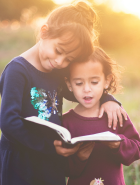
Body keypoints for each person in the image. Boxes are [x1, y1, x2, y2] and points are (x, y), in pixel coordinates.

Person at [0, 1, 127, 185]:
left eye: (69, 59)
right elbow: (8, 122)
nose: (60, 62)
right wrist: (49, 147)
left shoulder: (56, 71)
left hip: (50, 162)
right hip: (21, 164)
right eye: (58, 51)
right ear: (44, 31)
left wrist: (108, 99)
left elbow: (80, 93)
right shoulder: (17, 70)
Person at [63, 46, 140, 185]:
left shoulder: (115, 114)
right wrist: (79, 158)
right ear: (69, 84)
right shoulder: (66, 122)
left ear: (107, 81)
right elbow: (60, 167)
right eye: (79, 83)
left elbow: (137, 148)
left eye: (94, 82)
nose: (87, 89)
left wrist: (118, 144)